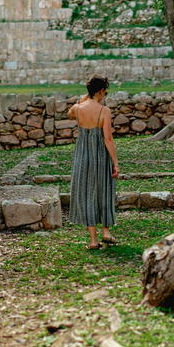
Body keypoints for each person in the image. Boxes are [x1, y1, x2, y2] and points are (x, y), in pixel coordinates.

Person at [67, 75, 120, 249]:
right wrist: (115, 162)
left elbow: (69, 114)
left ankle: (93, 240)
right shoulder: (104, 111)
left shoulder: (78, 108)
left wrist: (84, 99)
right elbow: (108, 139)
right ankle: (106, 231)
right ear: (100, 91)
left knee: (87, 193)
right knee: (104, 189)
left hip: (82, 156)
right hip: (100, 156)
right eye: (105, 91)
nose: (105, 94)